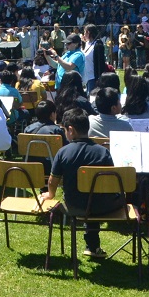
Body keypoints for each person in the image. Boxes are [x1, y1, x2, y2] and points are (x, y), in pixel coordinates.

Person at [41, 108, 123, 258]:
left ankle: (92, 246)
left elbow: (53, 180)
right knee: (94, 196)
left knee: (87, 198)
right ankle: (93, 246)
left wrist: (51, 193)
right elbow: (111, 182)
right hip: (103, 206)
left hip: (75, 206)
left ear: (70, 130)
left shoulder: (63, 152)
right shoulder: (103, 152)